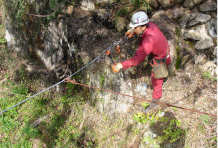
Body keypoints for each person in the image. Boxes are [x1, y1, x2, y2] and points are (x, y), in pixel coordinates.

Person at [112, 11, 171, 113]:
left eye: (135, 27)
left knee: (156, 79)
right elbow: (143, 37)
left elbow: (138, 60)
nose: (134, 29)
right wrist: (132, 32)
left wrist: (122, 65)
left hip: (161, 58)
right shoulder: (150, 25)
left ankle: (155, 101)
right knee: (144, 57)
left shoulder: (150, 40)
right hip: (160, 49)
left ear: (142, 26)